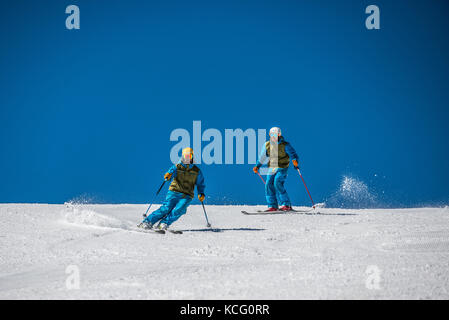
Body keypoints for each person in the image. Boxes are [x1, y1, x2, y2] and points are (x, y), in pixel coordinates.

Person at [139, 147, 205, 230]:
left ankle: (164, 223)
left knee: (180, 209)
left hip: (187, 195)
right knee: (166, 208)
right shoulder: (177, 167)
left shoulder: (196, 171)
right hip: (174, 191)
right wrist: (168, 175)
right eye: (186, 156)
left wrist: (201, 193)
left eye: (190, 156)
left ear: (192, 157)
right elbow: (170, 174)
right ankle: (147, 222)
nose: (188, 158)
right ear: (183, 157)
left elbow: (200, 184)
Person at [253, 127, 299, 212]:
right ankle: (272, 206)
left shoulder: (285, 144)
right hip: (272, 168)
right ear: (270, 135)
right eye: (272, 134)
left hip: (282, 167)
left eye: (276, 134)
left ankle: (286, 204)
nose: (274, 136)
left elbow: (293, 154)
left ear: (279, 135)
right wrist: (257, 166)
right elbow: (262, 157)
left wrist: (295, 161)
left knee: (277, 182)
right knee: (268, 184)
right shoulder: (267, 145)